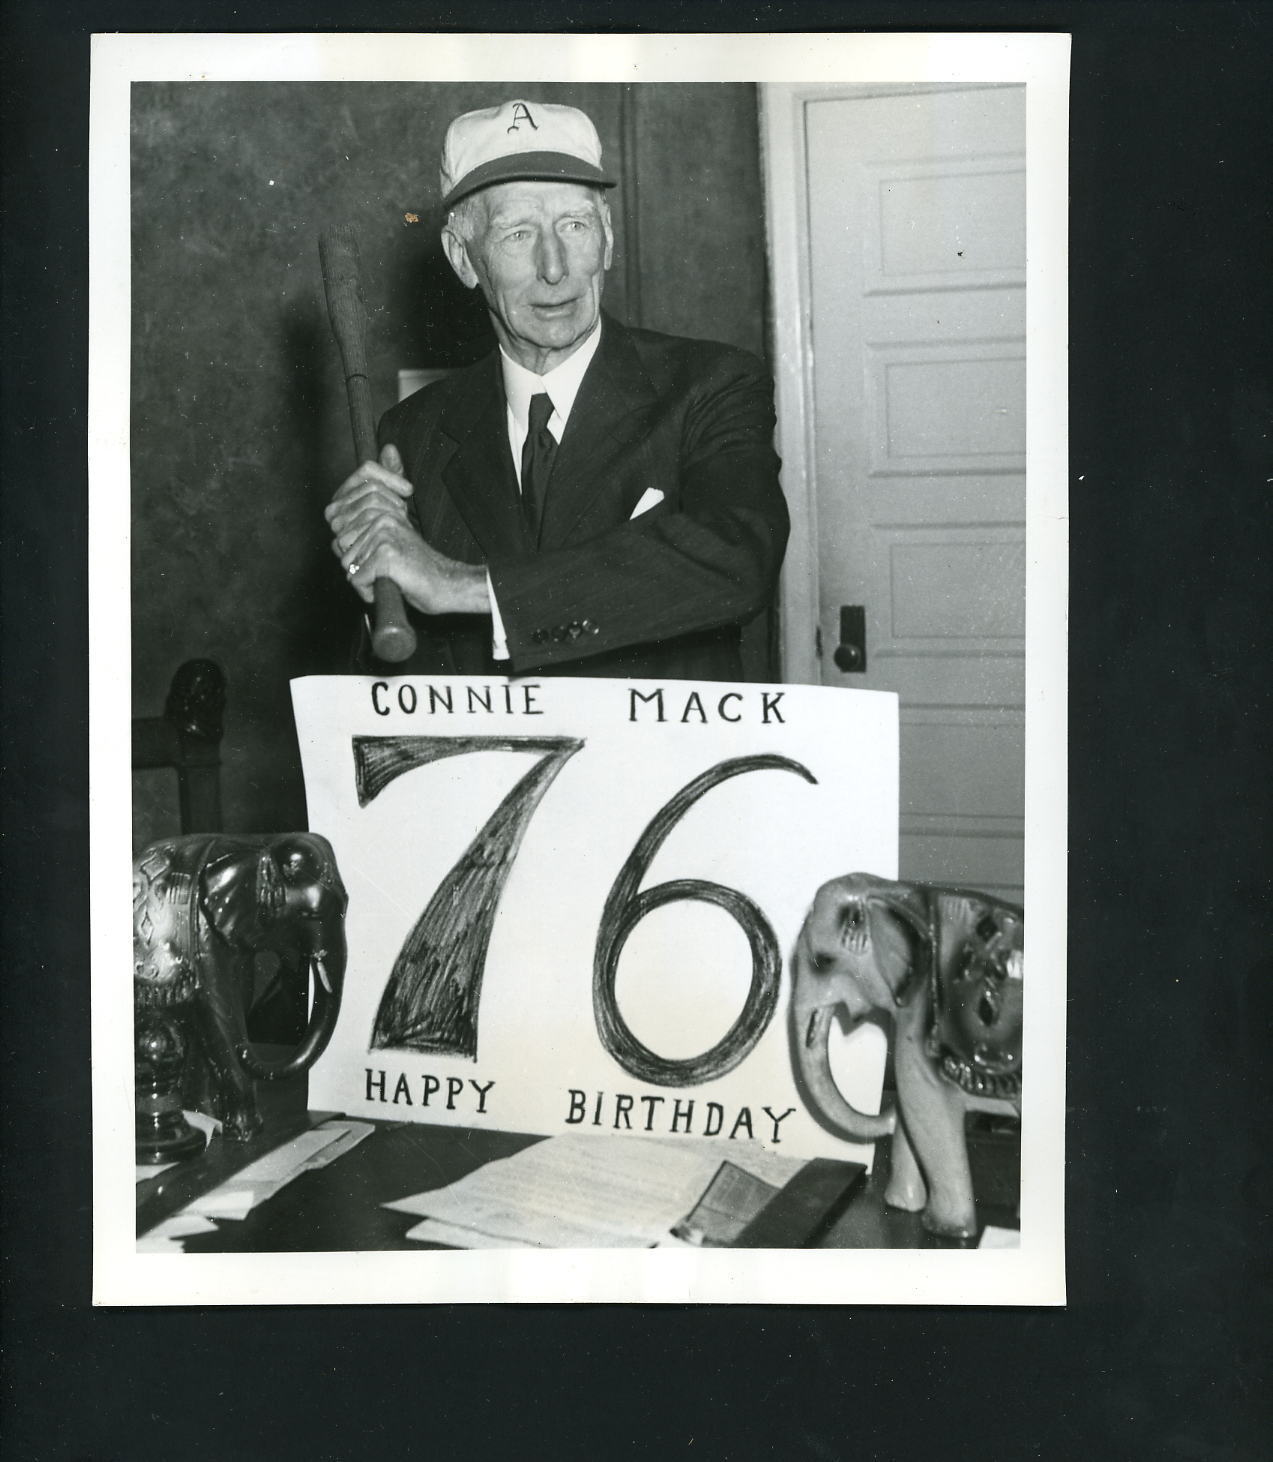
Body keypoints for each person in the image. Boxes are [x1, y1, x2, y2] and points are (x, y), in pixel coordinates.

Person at [325, 98, 789, 681]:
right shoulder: (413, 434)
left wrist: (464, 587)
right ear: (462, 258)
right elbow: (397, 678)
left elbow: (737, 559)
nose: (554, 267)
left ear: (609, 239)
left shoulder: (710, 386)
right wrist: (376, 576)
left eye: (574, 225)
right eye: (517, 233)